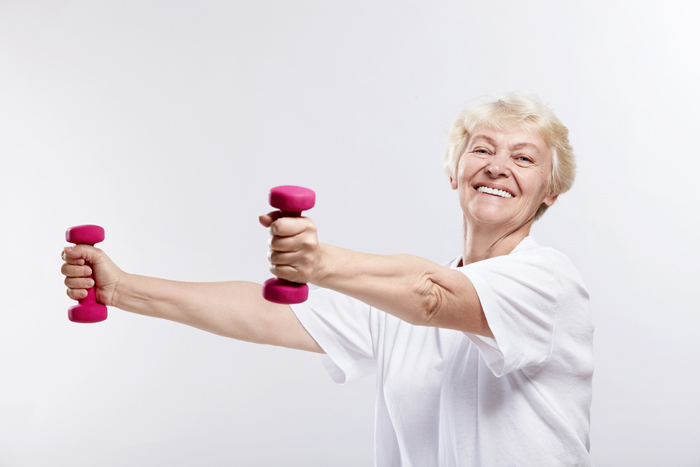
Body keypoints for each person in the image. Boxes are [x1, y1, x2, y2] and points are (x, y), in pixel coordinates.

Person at [61, 92, 593, 466]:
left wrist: (320, 263)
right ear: (453, 172)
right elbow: (267, 311)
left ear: (549, 192)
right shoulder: (394, 301)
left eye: (524, 158)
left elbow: (432, 297)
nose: (498, 166)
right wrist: (121, 289)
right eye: (482, 149)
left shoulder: (545, 281)